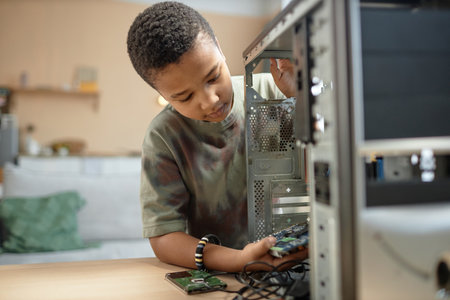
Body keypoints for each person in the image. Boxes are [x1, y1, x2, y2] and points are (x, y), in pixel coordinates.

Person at [127, 1, 307, 272]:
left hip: (310, 264)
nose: (210, 100)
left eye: (213, 76)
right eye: (185, 97)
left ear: (220, 49)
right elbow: (165, 237)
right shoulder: (164, 136)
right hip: (229, 277)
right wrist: (240, 261)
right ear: (163, 96)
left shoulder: (279, 90)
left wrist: (301, 98)